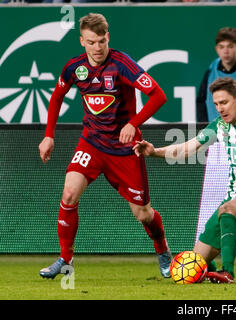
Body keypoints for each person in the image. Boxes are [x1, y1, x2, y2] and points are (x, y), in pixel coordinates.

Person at [38, 13, 172, 279]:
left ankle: (163, 250)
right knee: (69, 194)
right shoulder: (74, 68)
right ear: (82, 41)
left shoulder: (122, 64)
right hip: (92, 143)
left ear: (107, 37)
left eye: (101, 41)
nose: (97, 48)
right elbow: (56, 96)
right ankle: (65, 260)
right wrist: (48, 135)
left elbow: (158, 95)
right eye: (91, 42)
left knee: (143, 214)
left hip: (125, 149)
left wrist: (133, 123)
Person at [134, 77, 236, 283]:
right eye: (216, 104)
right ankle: (213, 269)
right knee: (196, 263)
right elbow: (188, 147)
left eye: (224, 102)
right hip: (233, 200)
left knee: (228, 209)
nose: (220, 109)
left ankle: (228, 272)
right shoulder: (220, 126)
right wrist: (154, 152)